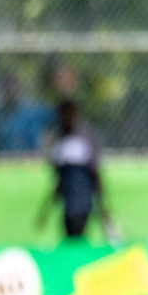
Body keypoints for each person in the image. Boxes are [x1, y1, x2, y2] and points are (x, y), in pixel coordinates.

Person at [35, 100, 111, 241]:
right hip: (69, 205)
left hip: (81, 204)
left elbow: (95, 176)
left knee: (75, 239)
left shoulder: (81, 143)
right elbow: (59, 182)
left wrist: (103, 208)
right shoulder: (59, 145)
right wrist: (46, 210)